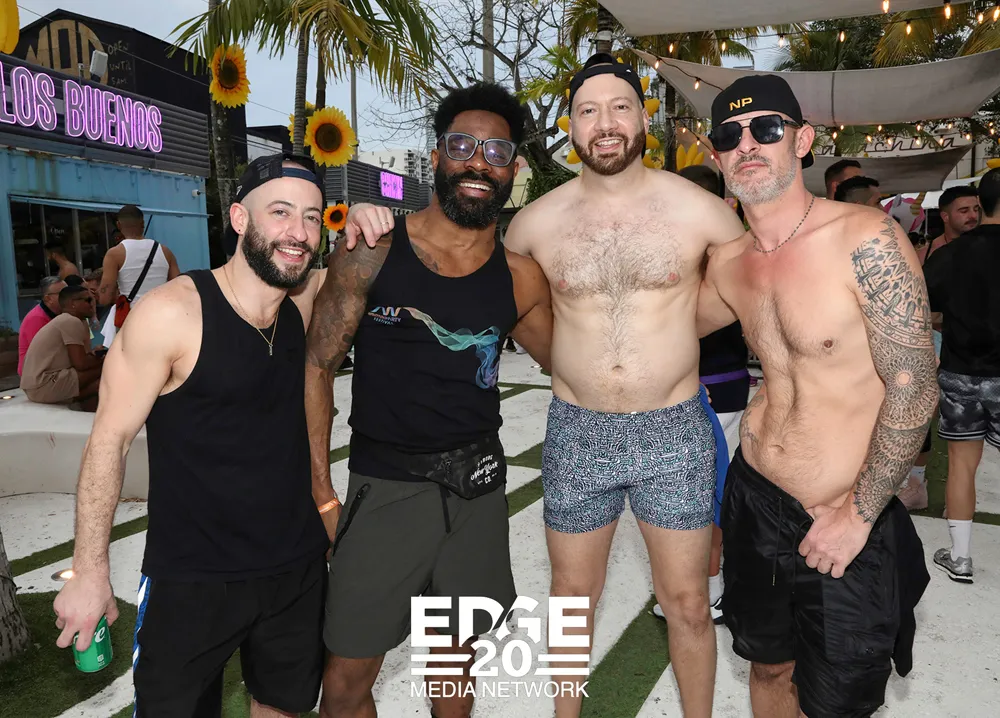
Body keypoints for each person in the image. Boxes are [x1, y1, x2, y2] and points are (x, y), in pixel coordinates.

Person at [52, 154, 340, 717]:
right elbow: (108, 440)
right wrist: (89, 572)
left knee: (283, 706)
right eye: (280, 212)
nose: (299, 232)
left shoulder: (298, 303)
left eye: (311, 217)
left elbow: (369, 263)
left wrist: (375, 219)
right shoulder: (171, 315)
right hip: (193, 577)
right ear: (239, 218)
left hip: (295, 566)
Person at [503, 53, 746, 718]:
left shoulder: (703, 212)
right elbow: (528, 315)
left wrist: (670, 345)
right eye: (588, 110)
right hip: (577, 430)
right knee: (570, 598)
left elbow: (742, 295)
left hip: (674, 430)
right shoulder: (533, 224)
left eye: (619, 107)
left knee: (688, 603)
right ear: (571, 125)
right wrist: (571, 364)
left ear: (643, 117)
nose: (604, 123)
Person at [304, 83, 552, 718]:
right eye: (462, 145)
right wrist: (322, 493)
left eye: (496, 151)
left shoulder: (522, 276)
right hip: (385, 486)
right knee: (346, 681)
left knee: (454, 660)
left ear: (514, 169)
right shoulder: (372, 250)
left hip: (478, 489)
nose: (478, 162)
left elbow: (569, 364)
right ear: (437, 155)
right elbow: (317, 366)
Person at [698, 73, 935, 718]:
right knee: (766, 663)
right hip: (755, 497)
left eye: (765, 128)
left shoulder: (865, 239)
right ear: (717, 155)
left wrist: (858, 515)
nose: (748, 144)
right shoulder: (729, 263)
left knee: (837, 704)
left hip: (841, 508)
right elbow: (655, 330)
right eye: (730, 136)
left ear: (801, 141)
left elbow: (915, 386)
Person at [652, 164, 750, 626]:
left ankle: (711, 589)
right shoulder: (723, 251)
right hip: (694, 387)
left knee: (708, 496)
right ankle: (703, 585)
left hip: (713, 389)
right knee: (692, 494)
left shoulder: (719, 255)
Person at [923, 167, 1000, 583]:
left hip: (961, 372)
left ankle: (961, 557)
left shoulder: (950, 255)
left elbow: (925, 307)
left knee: (961, 465)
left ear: (981, 205)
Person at [99, 204, 180, 347]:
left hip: (131, 320)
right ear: (142, 223)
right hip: (161, 318)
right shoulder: (165, 251)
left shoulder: (115, 254)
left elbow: (105, 297)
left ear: (118, 225)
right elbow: (178, 288)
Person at [19, 284, 103, 411]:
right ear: (73, 304)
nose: (93, 304)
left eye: (93, 299)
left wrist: (95, 355)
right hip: (44, 385)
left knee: (101, 373)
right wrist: (104, 358)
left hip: (36, 386)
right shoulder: (70, 321)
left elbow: (81, 359)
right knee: (108, 368)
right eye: (88, 300)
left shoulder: (71, 320)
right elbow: (81, 364)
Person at [917, 186, 981, 264]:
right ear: (945, 217)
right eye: (964, 211)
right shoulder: (924, 256)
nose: (973, 215)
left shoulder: (988, 248)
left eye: (976, 209)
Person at [17, 276, 66, 375]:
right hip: (35, 374)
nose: (69, 296)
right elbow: (42, 353)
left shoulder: (58, 313)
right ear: (48, 298)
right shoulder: (36, 318)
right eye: (63, 293)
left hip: (49, 368)